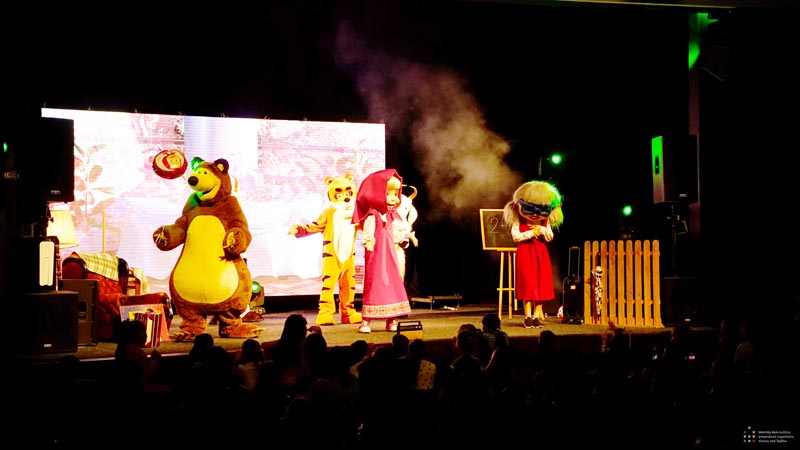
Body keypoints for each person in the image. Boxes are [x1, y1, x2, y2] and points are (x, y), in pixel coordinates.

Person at [352, 168, 412, 333]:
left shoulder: (393, 215)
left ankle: (391, 319)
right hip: (376, 255)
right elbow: (368, 232)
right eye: (388, 193)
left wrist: (403, 238)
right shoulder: (373, 214)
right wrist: (369, 241)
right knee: (374, 283)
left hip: (390, 253)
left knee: (392, 281)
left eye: (395, 193)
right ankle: (366, 320)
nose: (393, 198)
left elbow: (397, 232)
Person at [503, 180, 564, 329]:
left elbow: (549, 237)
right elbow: (516, 237)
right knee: (528, 285)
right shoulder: (518, 219)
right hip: (525, 253)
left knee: (541, 285)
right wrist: (531, 233)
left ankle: (537, 316)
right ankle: (528, 316)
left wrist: (541, 230)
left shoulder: (545, 221)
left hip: (541, 254)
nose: (535, 214)